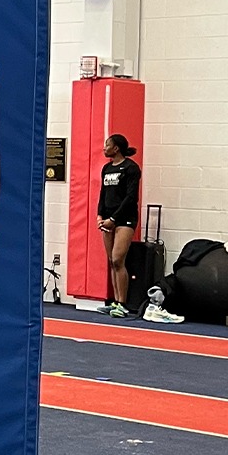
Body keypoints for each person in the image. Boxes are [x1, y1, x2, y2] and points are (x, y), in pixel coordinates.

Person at [96, 134, 141, 318]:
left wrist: (114, 219)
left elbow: (131, 197)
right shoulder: (106, 168)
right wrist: (100, 214)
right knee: (111, 262)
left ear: (116, 148)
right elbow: (103, 193)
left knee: (117, 259)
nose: (104, 147)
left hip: (125, 219)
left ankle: (122, 303)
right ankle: (115, 301)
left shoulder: (131, 168)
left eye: (107, 145)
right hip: (107, 218)